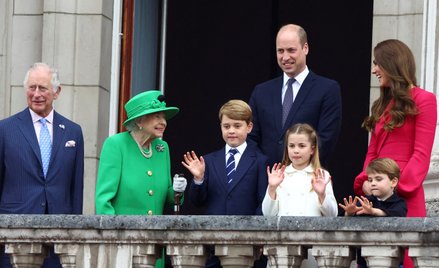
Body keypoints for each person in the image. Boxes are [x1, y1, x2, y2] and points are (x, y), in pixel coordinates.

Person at [353, 39, 437, 268]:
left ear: (392, 63)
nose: (373, 70)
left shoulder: (425, 99)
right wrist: (365, 183)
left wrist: (394, 188)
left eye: (377, 63)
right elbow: (372, 152)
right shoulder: (382, 104)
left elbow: (421, 154)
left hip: (405, 197)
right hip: (377, 194)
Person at [0, 62, 84, 267]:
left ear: (56, 92)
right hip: (14, 234)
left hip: (58, 235)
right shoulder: (5, 129)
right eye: (32, 87)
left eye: (43, 88)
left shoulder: (73, 132)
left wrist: (73, 233)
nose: (36, 94)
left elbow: (76, 189)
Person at [95, 90, 187, 268]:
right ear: (139, 120)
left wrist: (177, 190)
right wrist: (114, 239)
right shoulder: (116, 145)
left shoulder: (162, 148)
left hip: (154, 247)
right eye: (157, 116)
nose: (163, 122)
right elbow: (103, 200)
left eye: (164, 117)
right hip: (123, 246)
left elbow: (167, 197)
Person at [182, 99, 268, 267]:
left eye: (237, 126)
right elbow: (197, 201)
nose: (231, 131)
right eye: (226, 126)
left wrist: (255, 237)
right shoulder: (208, 160)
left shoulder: (260, 160)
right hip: (213, 243)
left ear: (249, 127)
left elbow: (262, 203)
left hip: (247, 244)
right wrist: (198, 179)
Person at [248, 24, 342, 167]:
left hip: (306, 180)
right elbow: (251, 136)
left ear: (305, 48)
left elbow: (326, 139)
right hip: (267, 178)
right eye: (280, 51)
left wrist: (296, 170)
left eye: (291, 50)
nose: (285, 57)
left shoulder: (327, 89)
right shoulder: (261, 91)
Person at [262, 123, 337, 268]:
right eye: (291, 146)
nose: (296, 151)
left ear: (312, 149)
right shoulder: (279, 175)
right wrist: (272, 188)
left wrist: (322, 194)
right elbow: (268, 215)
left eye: (302, 146)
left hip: (312, 246)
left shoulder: (321, 175)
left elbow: (332, 215)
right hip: (283, 245)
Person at [341, 158, 407, 268]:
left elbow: (397, 214)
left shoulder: (399, 203)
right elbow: (346, 222)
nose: (373, 183)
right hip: (364, 260)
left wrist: (373, 211)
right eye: (370, 180)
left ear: (393, 182)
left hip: (393, 259)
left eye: (378, 179)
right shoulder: (367, 201)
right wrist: (349, 213)